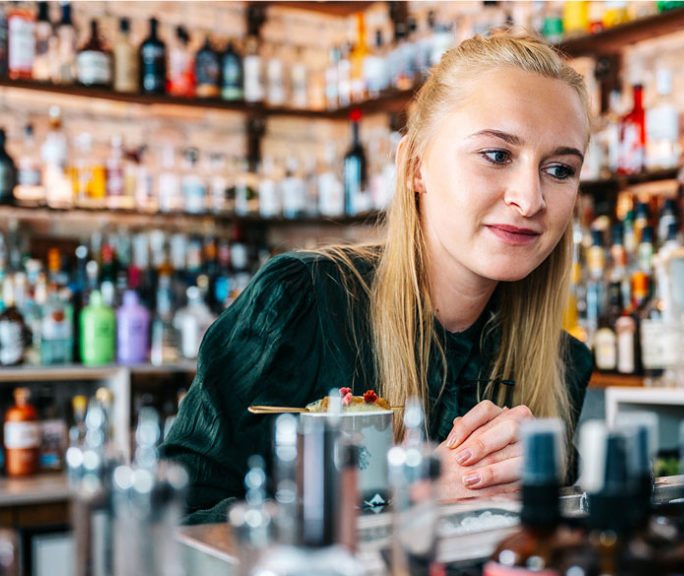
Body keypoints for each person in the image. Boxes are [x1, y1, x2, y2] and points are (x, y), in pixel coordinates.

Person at [160, 31, 594, 524]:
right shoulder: (302, 301)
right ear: (415, 167)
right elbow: (170, 524)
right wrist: (395, 493)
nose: (530, 199)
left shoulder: (561, 363)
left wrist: (547, 497)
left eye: (559, 169)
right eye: (497, 155)